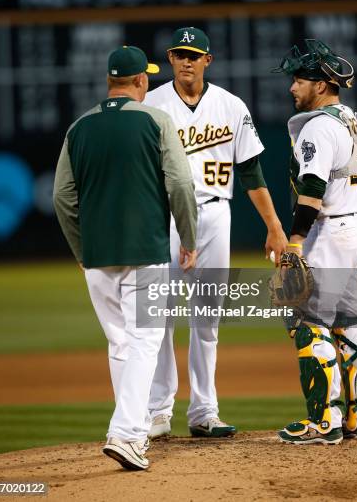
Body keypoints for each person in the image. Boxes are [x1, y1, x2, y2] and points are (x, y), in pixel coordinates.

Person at [53, 45, 197, 470]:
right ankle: (127, 434)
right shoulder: (156, 119)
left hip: (97, 256)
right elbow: (181, 184)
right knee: (145, 340)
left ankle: (128, 429)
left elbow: (62, 197)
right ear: (140, 81)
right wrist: (188, 238)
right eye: (146, 77)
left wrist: (82, 249)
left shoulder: (79, 127)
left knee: (120, 343)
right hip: (146, 249)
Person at [145, 26, 288, 438]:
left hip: (215, 215)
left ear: (208, 60)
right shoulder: (151, 105)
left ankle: (204, 411)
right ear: (170, 58)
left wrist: (274, 227)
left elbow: (251, 171)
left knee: (207, 317)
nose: (187, 60)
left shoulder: (229, 105)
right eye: (180, 53)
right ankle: (158, 411)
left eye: (194, 54)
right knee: (160, 315)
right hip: (165, 216)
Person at [272, 39, 357, 444]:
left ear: (320, 85)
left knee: (308, 321)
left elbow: (312, 189)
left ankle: (324, 421)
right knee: (352, 322)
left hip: (328, 230)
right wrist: (355, 226)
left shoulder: (318, 126)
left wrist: (295, 242)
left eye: (299, 80)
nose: (292, 88)